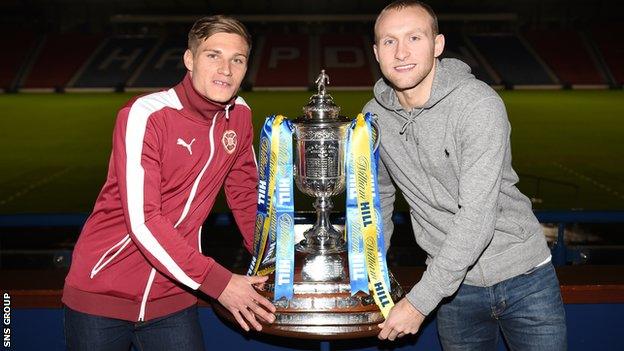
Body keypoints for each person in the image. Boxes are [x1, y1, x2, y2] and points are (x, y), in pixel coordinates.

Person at [62, 15, 275, 350]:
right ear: (189, 59)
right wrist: (218, 283)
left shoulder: (241, 115)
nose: (226, 69)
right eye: (213, 55)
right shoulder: (146, 114)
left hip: (174, 295)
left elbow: (246, 196)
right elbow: (143, 222)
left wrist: (273, 261)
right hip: (102, 295)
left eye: (238, 59)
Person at [363, 1, 567, 349]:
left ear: (437, 45)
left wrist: (417, 302)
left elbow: (477, 216)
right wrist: (371, 273)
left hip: (525, 278)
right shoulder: (372, 118)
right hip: (454, 292)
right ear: (376, 53)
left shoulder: (478, 104)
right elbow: (377, 201)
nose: (401, 52)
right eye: (389, 41)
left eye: (414, 37)